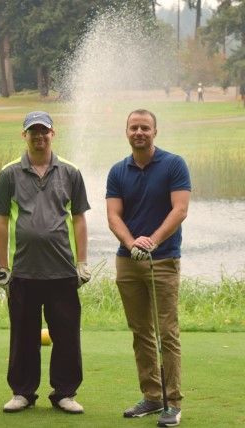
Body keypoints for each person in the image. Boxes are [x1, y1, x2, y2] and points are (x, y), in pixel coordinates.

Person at [0, 111, 91, 414]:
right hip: (23, 271)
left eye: (43, 131)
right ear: (24, 136)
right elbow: (2, 222)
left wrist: (82, 262)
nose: (39, 136)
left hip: (62, 270)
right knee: (22, 335)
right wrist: (3, 266)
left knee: (67, 335)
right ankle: (22, 392)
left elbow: (79, 219)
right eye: (33, 132)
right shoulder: (9, 173)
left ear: (52, 134)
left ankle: (64, 393)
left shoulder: (70, 172)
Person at [106, 109, 191, 427]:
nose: (139, 132)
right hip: (128, 261)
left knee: (167, 334)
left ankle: (173, 403)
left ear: (155, 131)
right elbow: (114, 216)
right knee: (141, 332)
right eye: (133, 127)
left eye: (145, 127)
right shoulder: (118, 171)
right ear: (126, 132)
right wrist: (132, 244)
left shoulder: (173, 164)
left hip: (164, 259)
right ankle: (152, 397)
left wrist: (152, 241)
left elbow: (180, 209)